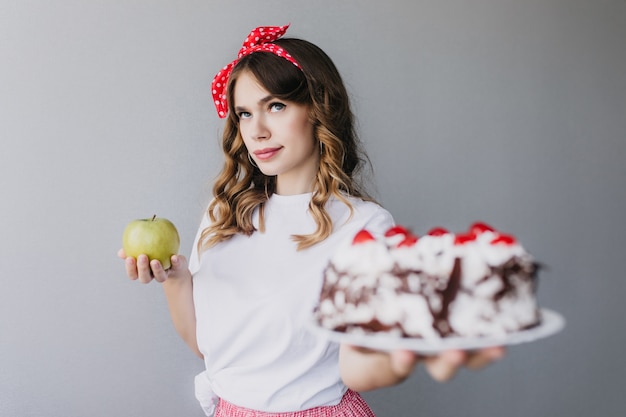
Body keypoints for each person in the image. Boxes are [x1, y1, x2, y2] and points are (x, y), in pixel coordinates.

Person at [118, 24, 505, 417]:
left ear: (319, 109)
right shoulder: (224, 215)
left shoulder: (365, 226)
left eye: (276, 106)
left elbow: (360, 369)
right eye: (245, 114)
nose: (258, 131)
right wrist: (176, 278)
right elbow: (211, 349)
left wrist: (406, 344)